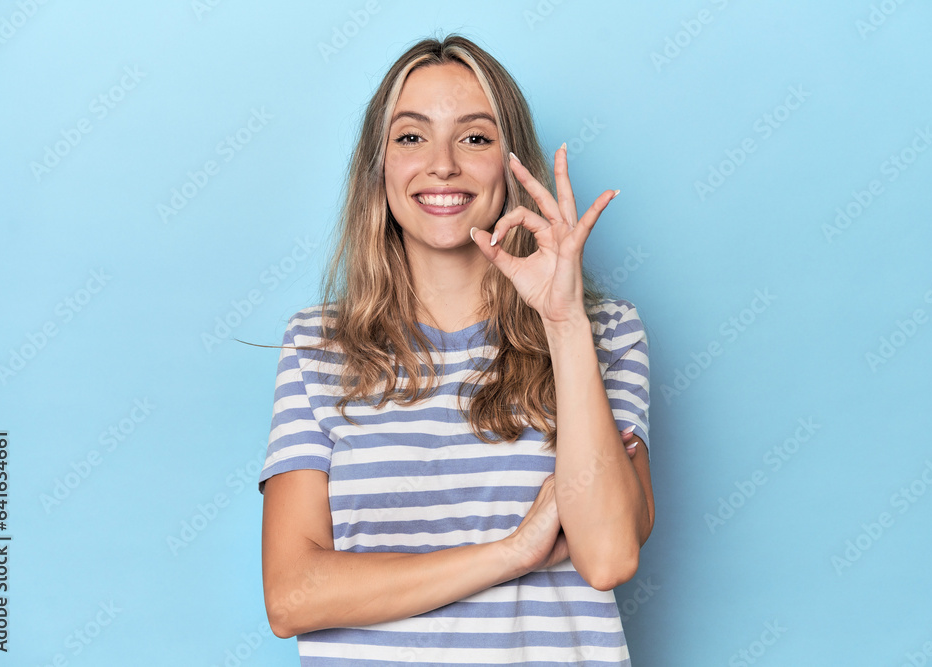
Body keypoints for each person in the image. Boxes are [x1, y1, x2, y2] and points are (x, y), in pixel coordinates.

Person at [258, 33, 654, 666]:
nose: (442, 164)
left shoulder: (604, 333)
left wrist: (564, 324)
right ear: (378, 166)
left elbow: (607, 556)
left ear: (512, 163)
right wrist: (512, 553)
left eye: (474, 137)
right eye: (412, 136)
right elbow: (291, 596)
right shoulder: (318, 347)